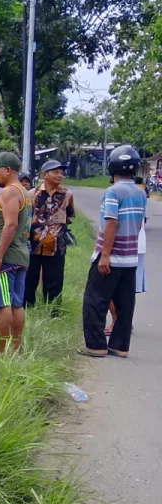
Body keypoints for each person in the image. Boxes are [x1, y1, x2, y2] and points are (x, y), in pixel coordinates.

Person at [80, 145, 147, 358]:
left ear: (112, 167)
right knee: (125, 303)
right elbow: (137, 224)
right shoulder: (141, 192)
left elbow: (111, 223)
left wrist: (105, 255)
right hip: (130, 257)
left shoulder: (112, 192)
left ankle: (96, 346)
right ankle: (120, 346)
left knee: (94, 301)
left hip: (111, 257)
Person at [0, 151, 31, 354]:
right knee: (15, 304)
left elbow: (10, 225)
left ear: (8, 170)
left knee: (3, 305)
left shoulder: (10, 192)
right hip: (19, 255)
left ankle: (2, 351)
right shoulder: (24, 192)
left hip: (6, 259)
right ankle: (16, 347)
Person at [25, 160, 75, 308]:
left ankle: (53, 309)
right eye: (55, 172)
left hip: (56, 243)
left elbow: (70, 215)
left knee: (55, 278)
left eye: (61, 173)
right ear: (44, 174)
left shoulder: (67, 195)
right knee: (30, 277)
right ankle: (28, 306)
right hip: (34, 242)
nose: (60, 175)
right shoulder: (32, 194)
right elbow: (27, 216)